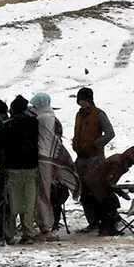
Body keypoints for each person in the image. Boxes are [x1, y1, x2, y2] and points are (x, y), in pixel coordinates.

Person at [0, 95, 43, 242]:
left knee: (13, 202)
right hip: (31, 167)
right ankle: (28, 232)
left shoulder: (8, 125)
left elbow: (2, 146)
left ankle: (8, 233)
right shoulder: (34, 123)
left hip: (13, 167)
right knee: (29, 201)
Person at [33, 93, 77, 235]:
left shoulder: (41, 119)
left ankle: (46, 224)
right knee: (48, 193)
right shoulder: (52, 118)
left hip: (43, 159)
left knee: (42, 193)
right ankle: (50, 222)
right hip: (52, 158)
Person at [71, 87, 115, 230]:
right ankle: (93, 221)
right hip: (81, 158)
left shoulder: (99, 114)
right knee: (84, 192)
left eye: (85, 100)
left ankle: (105, 219)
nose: (82, 103)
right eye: (80, 100)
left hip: (95, 159)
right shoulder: (78, 115)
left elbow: (110, 133)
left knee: (97, 190)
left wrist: (96, 144)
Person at [81, 145, 134, 236]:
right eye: (132, 162)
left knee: (109, 202)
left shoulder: (118, 160)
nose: (131, 165)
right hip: (94, 187)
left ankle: (106, 226)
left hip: (93, 185)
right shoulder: (117, 164)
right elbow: (108, 181)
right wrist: (121, 192)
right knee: (110, 203)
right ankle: (107, 228)